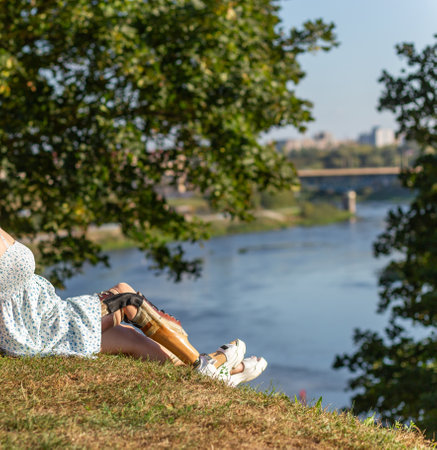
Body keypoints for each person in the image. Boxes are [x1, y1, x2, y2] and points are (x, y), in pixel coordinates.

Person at [0, 227, 267, 386]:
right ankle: (205, 365)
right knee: (126, 297)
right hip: (42, 328)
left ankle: (222, 376)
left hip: (43, 319)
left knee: (131, 338)